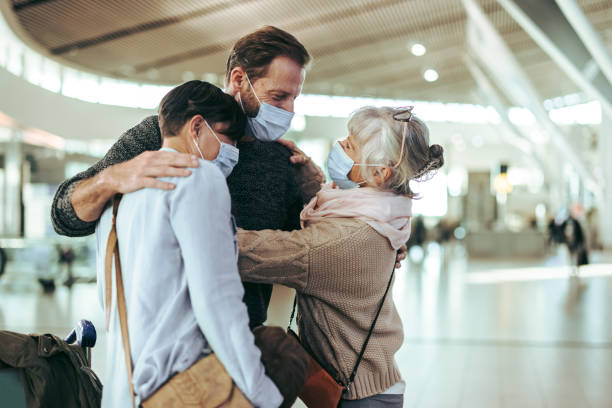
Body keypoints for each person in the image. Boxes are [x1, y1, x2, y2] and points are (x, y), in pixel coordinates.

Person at [51, 26, 323, 329]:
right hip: (159, 339)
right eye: (279, 96)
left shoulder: (281, 162)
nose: (289, 110)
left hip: (242, 337)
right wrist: (110, 179)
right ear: (238, 79)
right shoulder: (163, 134)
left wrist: (316, 188)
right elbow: (64, 216)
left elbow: (307, 254)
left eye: (294, 99)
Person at [237, 106, 445, 407]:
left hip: (357, 395)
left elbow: (255, 253)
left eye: (350, 145)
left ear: (379, 172)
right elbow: (336, 207)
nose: (340, 146)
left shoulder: (348, 239)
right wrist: (306, 171)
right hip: (372, 383)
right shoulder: (386, 210)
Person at [95, 81, 283, 407]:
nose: (233, 154)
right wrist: (261, 394)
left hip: (129, 388)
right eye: (229, 140)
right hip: (183, 384)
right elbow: (218, 300)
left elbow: (108, 297)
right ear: (197, 126)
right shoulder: (197, 176)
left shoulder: (122, 193)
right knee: (283, 350)